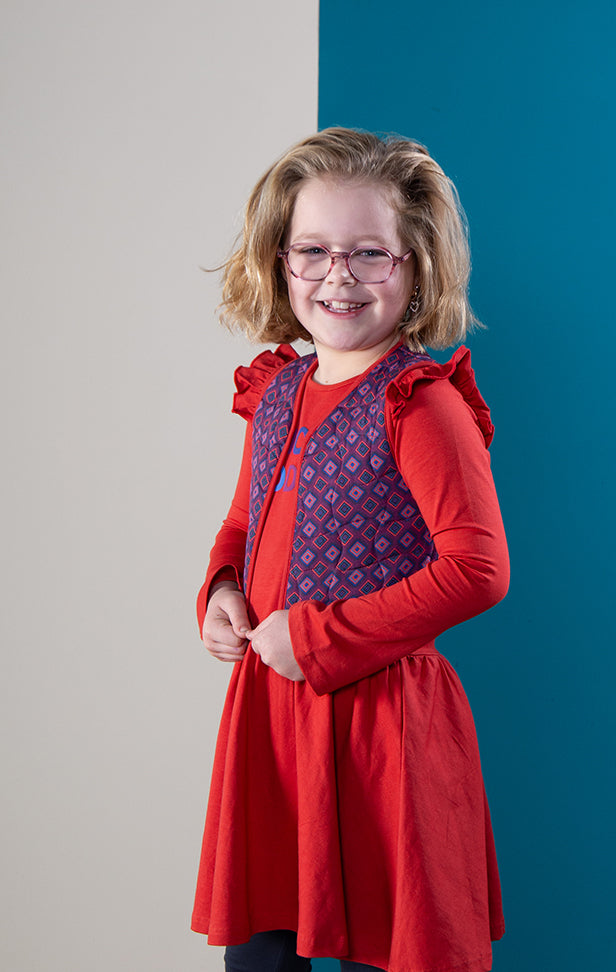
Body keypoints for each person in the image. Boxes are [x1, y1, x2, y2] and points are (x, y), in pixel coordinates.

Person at [192, 128, 510, 972]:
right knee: (261, 950)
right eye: (313, 251)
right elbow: (244, 524)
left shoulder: (420, 404)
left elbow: (478, 570)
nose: (338, 276)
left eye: (369, 253)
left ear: (415, 266)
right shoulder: (275, 391)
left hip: (383, 730)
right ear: (279, 260)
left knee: (391, 945)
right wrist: (221, 590)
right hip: (272, 723)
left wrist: (317, 636)